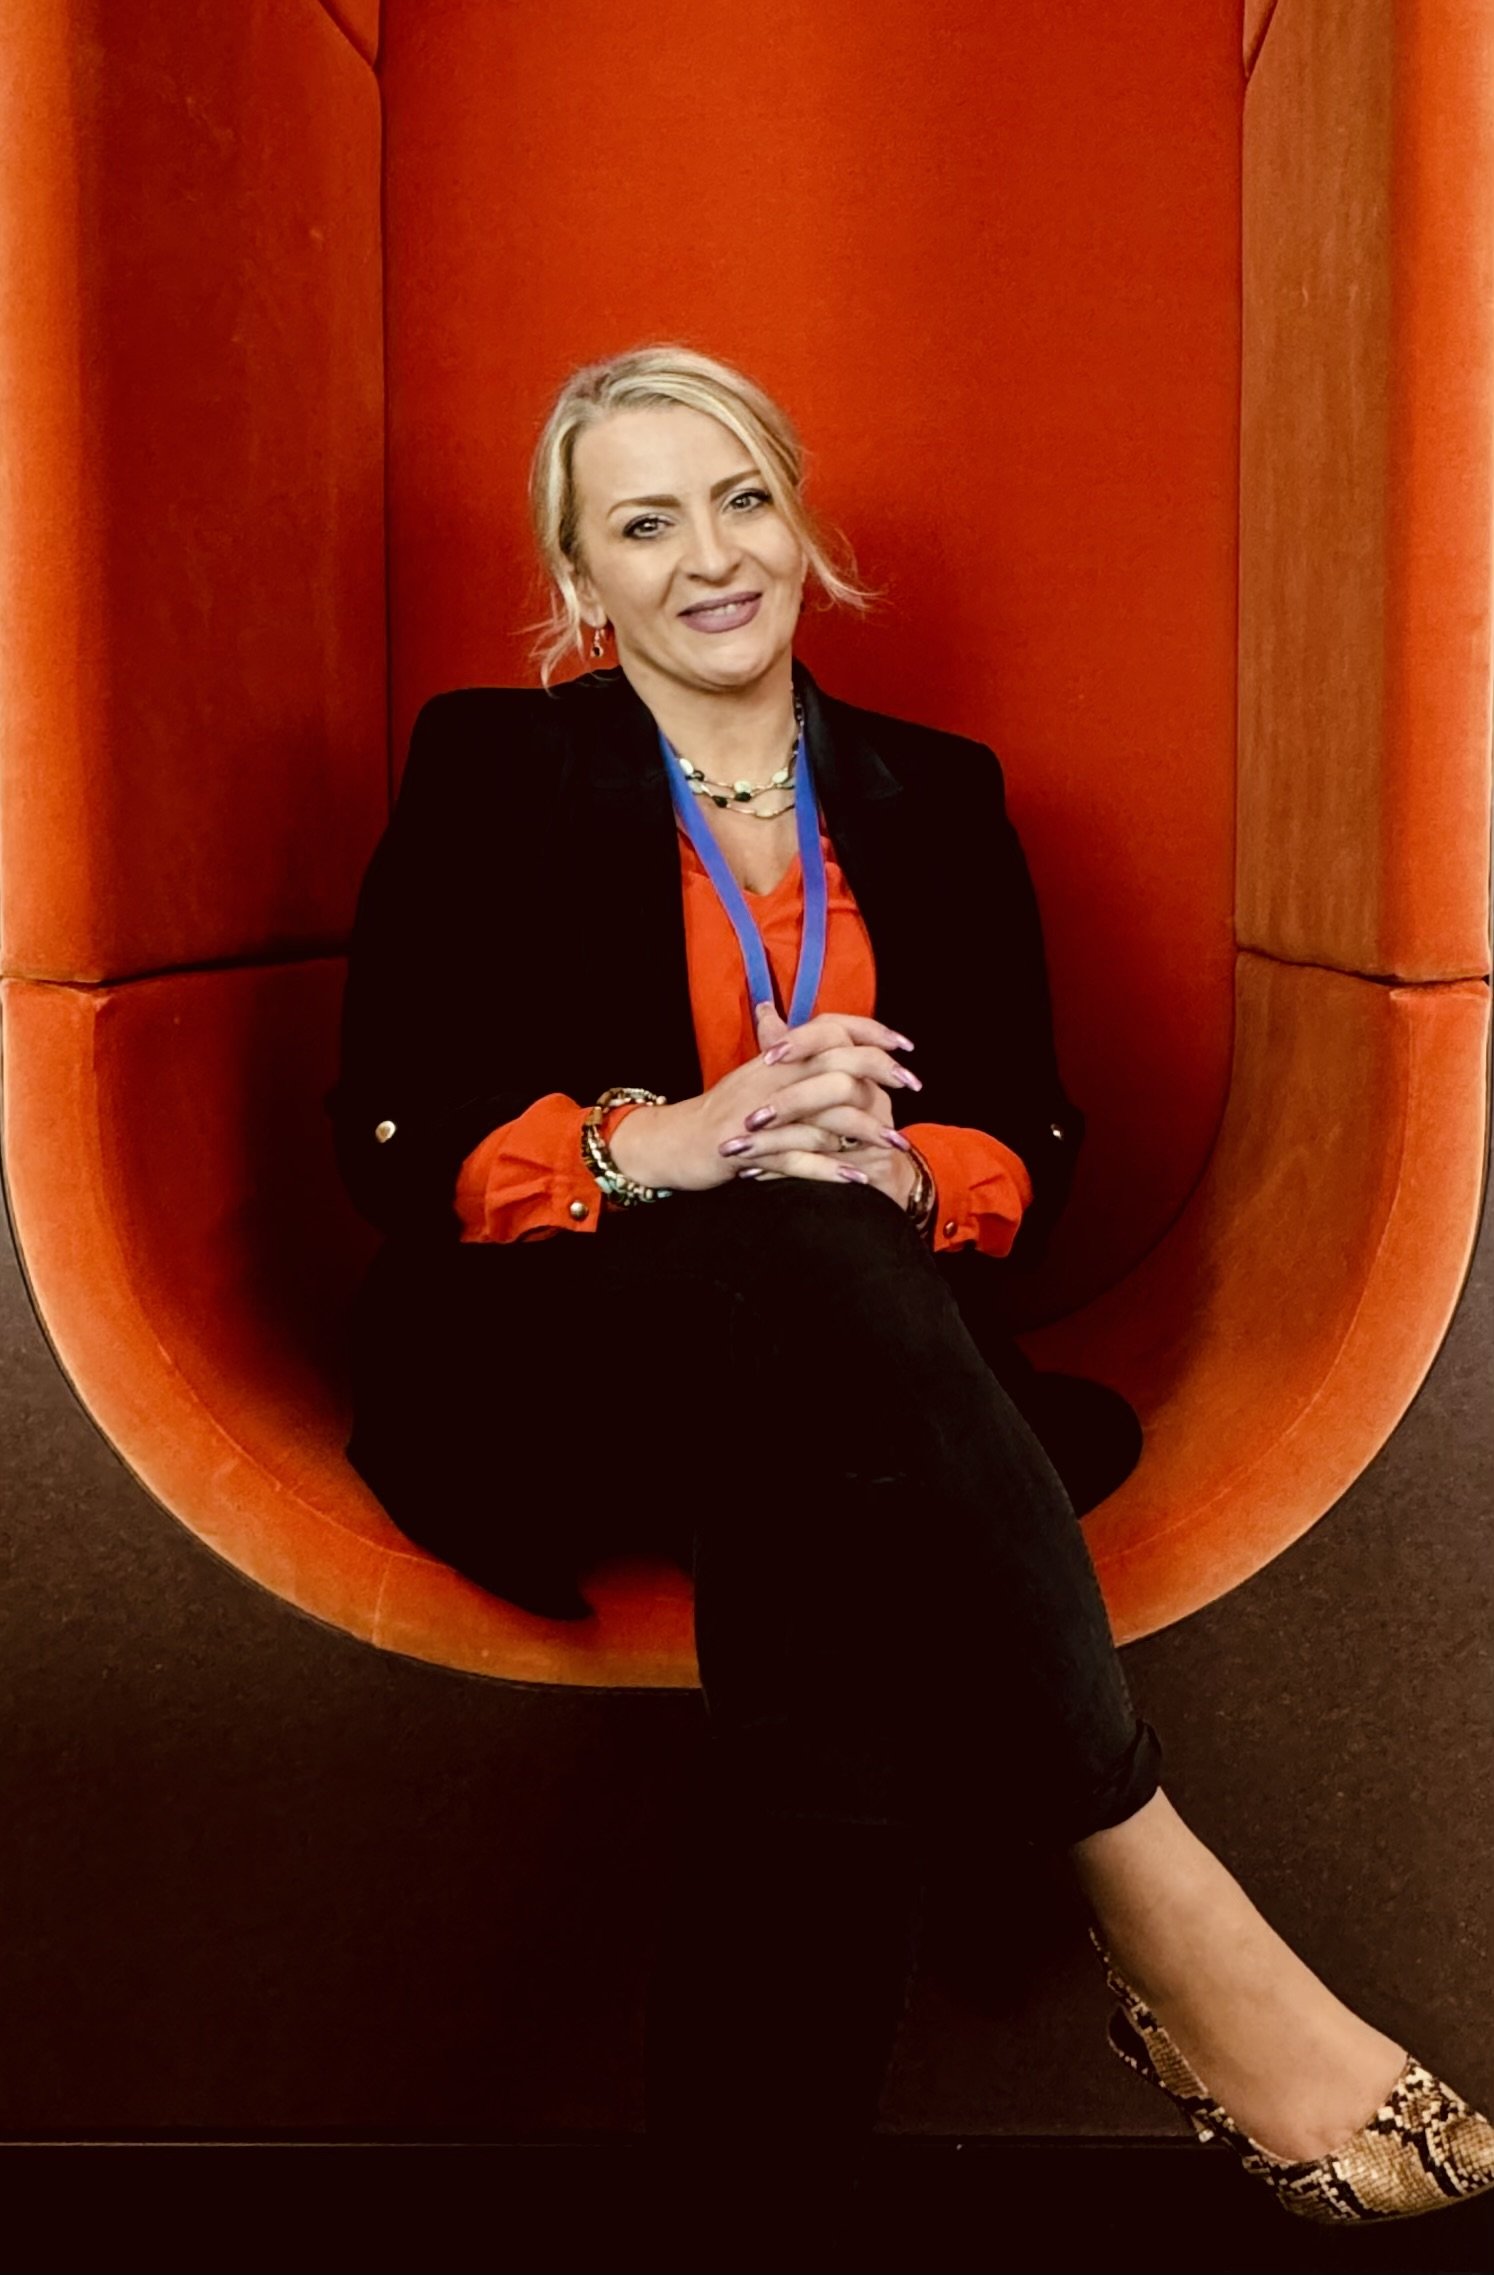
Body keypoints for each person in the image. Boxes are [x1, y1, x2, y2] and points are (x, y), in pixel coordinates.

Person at [326, 341, 1494, 2226]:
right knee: (797, 1271)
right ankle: (1145, 1873)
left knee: (825, 1518)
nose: (708, 555)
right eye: (643, 522)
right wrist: (671, 1140)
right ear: (579, 581)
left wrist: (904, 1171)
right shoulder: (492, 762)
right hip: (557, 1355)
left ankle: (749, 2207)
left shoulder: (935, 792)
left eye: (741, 499)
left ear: (801, 525)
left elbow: (1027, 1123)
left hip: (849, 1370)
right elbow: (381, 1124)